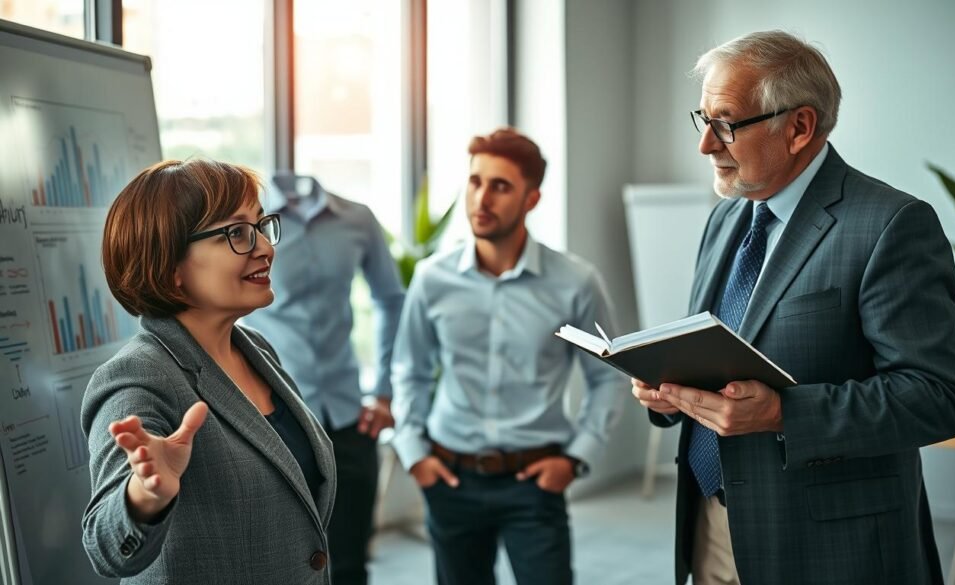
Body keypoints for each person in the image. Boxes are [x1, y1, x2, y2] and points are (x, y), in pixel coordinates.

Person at [630, 31, 955, 585]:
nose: (706, 146)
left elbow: (940, 398)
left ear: (799, 127)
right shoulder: (727, 215)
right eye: (702, 120)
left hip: (831, 547)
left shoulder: (891, 225)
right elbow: (724, 350)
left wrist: (780, 413)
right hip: (712, 528)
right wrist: (669, 389)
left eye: (726, 123)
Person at [82, 159, 336, 585]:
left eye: (261, 226)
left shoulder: (256, 349)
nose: (265, 248)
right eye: (237, 233)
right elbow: (106, 548)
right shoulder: (137, 376)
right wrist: (145, 496)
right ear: (172, 268)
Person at [390, 127, 624, 585]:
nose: (481, 198)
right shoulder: (432, 278)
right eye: (476, 181)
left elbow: (608, 377)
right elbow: (409, 369)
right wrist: (414, 451)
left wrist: (576, 457)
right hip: (450, 478)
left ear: (531, 199)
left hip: (534, 483)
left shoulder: (575, 281)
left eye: (500, 186)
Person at [243, 172, 405, 585]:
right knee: (283, 564)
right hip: (277, 418)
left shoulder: (357, 219)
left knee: (350, 563)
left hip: (348, 417)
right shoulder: (251, 228)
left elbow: (390, 298)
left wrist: (383, 392)